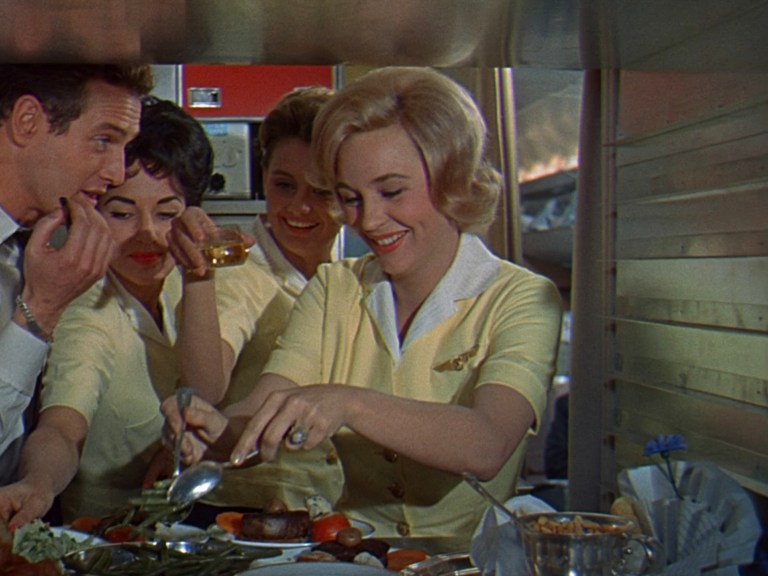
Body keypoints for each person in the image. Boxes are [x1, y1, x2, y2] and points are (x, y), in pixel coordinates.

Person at [164, 67, 563, 550]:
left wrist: (348, 402)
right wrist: (216, 429)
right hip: (358, 556)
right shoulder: (336, 288)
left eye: (391, 192)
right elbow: (265, 408)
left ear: (452, 179)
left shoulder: (521, 297)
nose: (369, 221)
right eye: (350, 198)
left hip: (471, 560)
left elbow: (487, 444)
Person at [0, 64, 154, 489]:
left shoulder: (25, 235)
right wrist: (42, 311)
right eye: (104, 141)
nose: (116, 173)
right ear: (27, 121)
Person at [0, 97, 215, 528]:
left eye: (167, 213)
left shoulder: (190, 285)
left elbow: (213, 391)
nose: (148, 234)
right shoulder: (87, 309)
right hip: (110, 538)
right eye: (122, 213)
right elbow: (62, 426)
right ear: (89, 213)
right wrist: (38, 482)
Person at [169, 87, 347, 518]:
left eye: (321, 191)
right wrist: (199, 277)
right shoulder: (241, 273)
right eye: (284, 185)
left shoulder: (349, 280)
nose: (299, 207)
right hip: (245, 512)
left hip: (328, 513)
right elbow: (206, 386)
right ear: (263, 174)